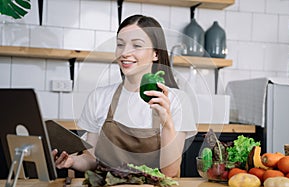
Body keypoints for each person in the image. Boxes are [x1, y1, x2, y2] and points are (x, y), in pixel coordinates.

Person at [53, 14, 197, 178]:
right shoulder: (99, 97)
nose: (125, 53)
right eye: (120, 45)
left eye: (137, 45)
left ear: (156, 53)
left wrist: (167, 123)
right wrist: (72, 161)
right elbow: (91, 159)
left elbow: (170, 172)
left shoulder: (176, 100)